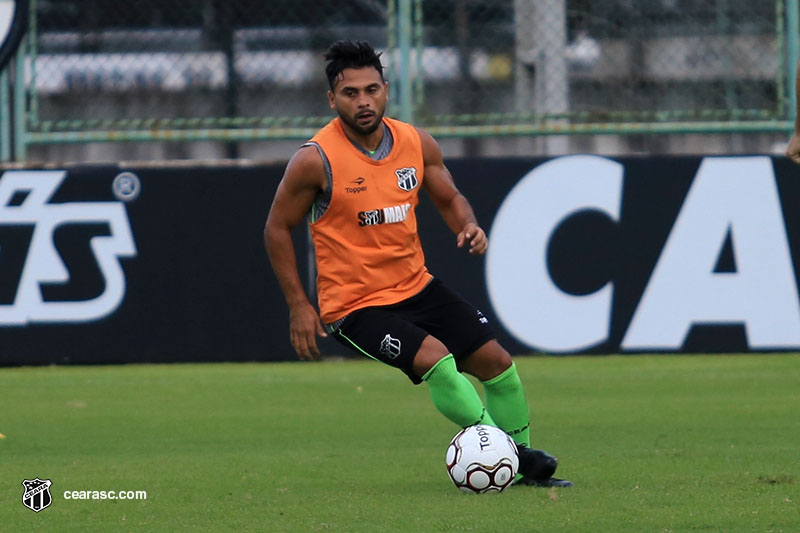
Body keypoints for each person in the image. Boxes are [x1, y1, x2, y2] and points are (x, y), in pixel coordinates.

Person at [264, 39, 572, 488]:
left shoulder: (414, 142)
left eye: (372, 89)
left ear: (386, 90)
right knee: (438, 362)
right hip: (355, 306)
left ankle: (521, 469)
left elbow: (449, 196)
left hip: (416, 286)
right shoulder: (316, 161)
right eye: (350, 93)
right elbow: (276, 228)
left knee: (499, 366)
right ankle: (518, 459)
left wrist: (468, 225)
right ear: (332, 100)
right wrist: (298, 304)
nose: (363, 101)